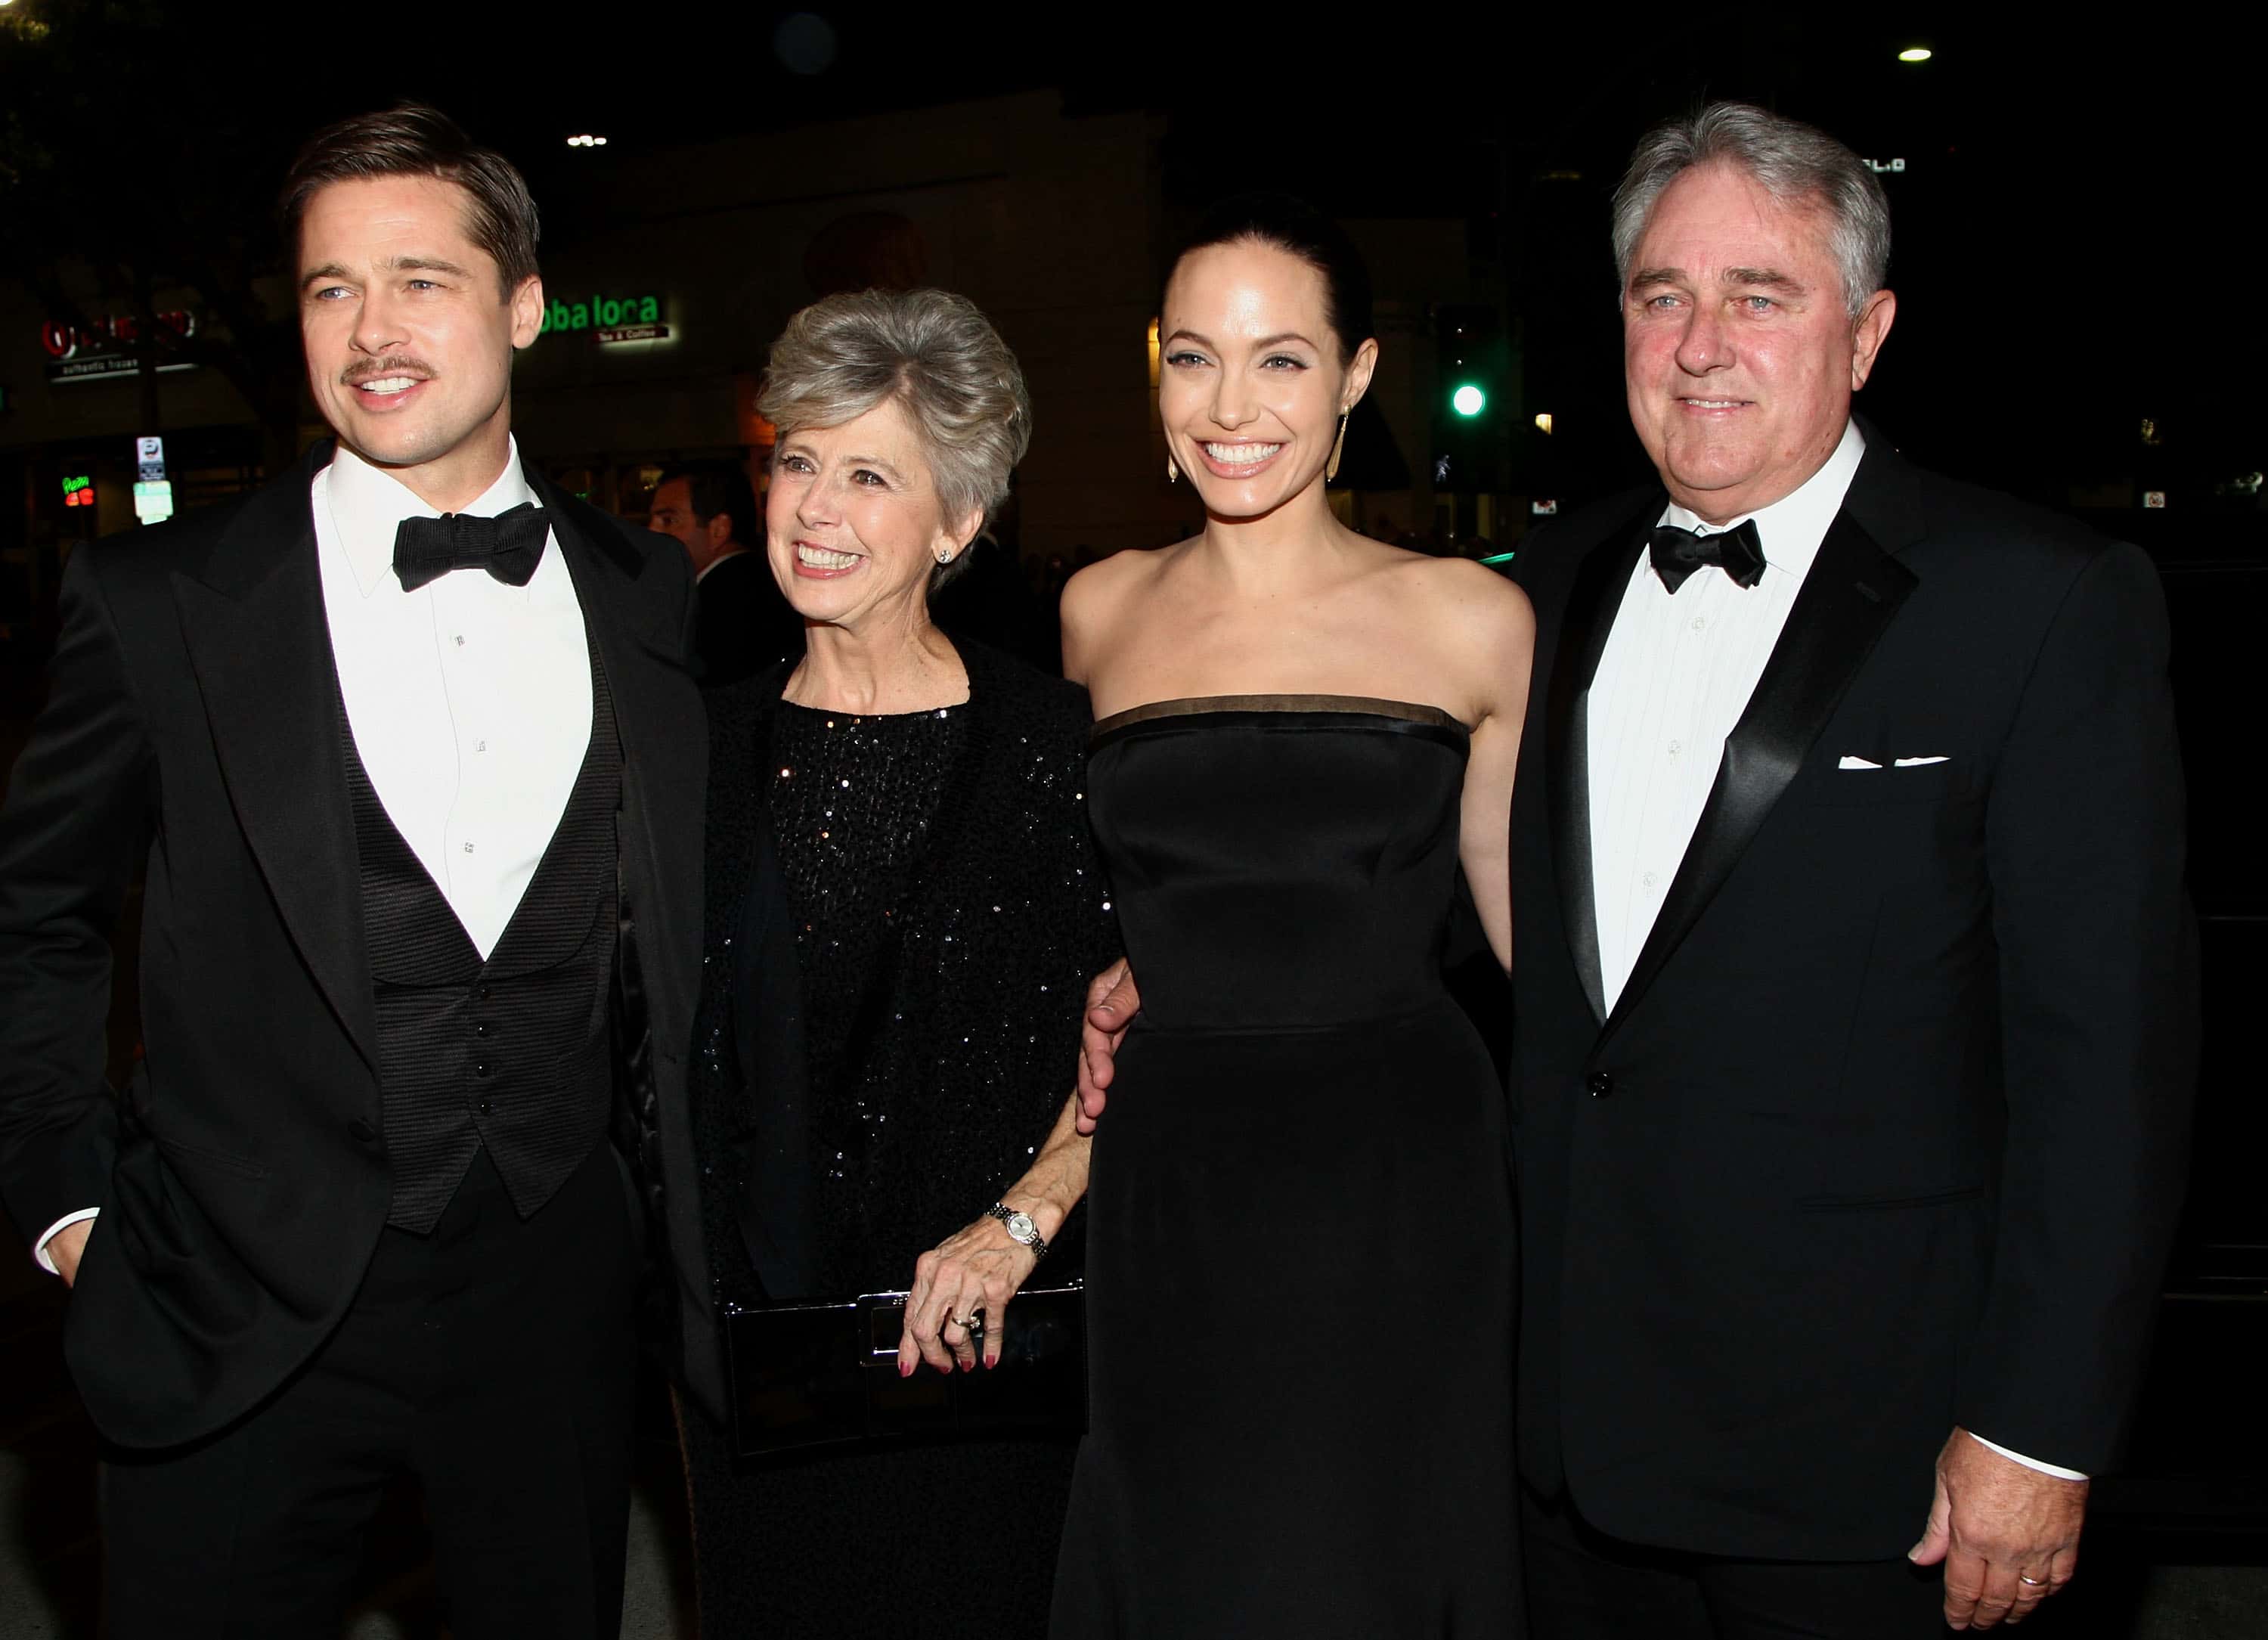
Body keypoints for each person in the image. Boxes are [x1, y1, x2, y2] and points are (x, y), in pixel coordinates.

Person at [1083, 102, 2198, 1640]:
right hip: (1560, 1439)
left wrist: (2038, 1428)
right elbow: (1453, 896)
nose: (1699, 344)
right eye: (1662, 295)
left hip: (1868, 1462)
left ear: (1866, 334)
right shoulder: (1537, 594)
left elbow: (2109, 1069)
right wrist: (1198, 954)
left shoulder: (2036, 603)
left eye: (1762, 295)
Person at [0, 105, 705, 1636]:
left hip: (552, 1295)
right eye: (332, 288)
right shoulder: (157, 597)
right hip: (232, 1291)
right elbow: (33, 912)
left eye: (420, 279)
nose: (372, 330)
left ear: (523, 305)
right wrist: (68, 1201)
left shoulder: (646, 591)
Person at [1049, 194, 1535, 1635]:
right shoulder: (1096, 611)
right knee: (1192, 1549)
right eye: (1193, 358)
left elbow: (1525, 939)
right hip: (1174, 1177)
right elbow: (1108, 886)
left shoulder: (1470, 618)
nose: (1231, 405)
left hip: (1401, 1177)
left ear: (1358, 376)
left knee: (1376, 1555)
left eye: (1281, 360)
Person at [675, 287, 1120, 1638]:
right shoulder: (696, 751)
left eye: (868, 473)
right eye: (797, 460)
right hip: (760, 1369)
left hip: (983, 1346)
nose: (812, 506)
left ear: (957, 522)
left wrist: (1020, 1225)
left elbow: (1141, 1022)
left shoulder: (1055, 747)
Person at [648, 459, 803, 684]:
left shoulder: (713, 606)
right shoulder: (769, 587)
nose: (652, 531)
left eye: (669, 520)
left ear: (719, 529)